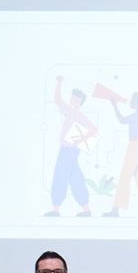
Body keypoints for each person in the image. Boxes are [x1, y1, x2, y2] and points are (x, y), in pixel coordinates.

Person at [45, 77, 96, 217]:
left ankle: (56, 209)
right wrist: (59, 84)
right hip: (67, 149)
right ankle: (86, 210)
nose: (71, 99)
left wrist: (80, 139)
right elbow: (57, 100)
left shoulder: (79, 115)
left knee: (61, 176)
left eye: (73, 97)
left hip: (69, 149)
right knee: (75, 177)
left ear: (79, 99)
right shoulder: (69, 111)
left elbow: (93, 130)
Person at [104, 91, 138, 217]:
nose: (131, 101)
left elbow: (122, 120)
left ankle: (115, 210)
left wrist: (114, 106)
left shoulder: (136, 115)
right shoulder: (137, 115)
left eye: (133, 100)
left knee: (125, 176)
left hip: (136, 147)